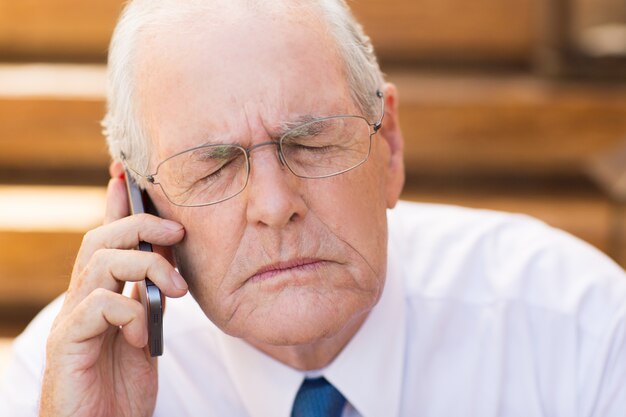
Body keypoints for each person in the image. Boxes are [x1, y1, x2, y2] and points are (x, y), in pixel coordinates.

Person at [1, 0, 626, 416]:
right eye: (214, 164)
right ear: (136, 203)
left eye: (312, 141)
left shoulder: (582, 330)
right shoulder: (61, 380)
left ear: (391, 144)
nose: (274, 206)